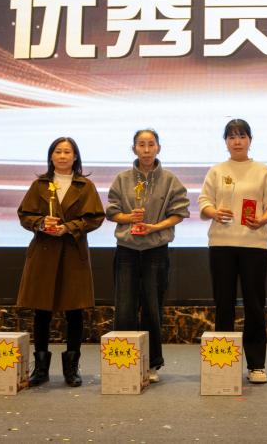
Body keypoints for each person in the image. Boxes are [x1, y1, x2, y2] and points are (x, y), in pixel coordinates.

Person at [16, 136, 105, 388]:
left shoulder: (85, 185)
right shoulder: (40, 185)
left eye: (67, 152)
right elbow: (24, 215)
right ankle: (41, 368)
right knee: (41, 311)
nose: (63, 156)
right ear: (51, 156)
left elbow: (96, 218)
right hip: (44, 252)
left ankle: (72, 369)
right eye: (58, 151)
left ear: (75, 157)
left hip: (72, 252)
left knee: (74, 311)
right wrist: (41, 223)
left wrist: (69, 227)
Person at [198, 119, 267, 385]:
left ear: (250, 140)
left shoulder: (262, 170)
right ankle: (224, 363)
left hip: (254, 245)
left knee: (255, 305)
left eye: (242, 136)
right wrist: (214, 212)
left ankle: (256, 365)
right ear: (225, 142)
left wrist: (263, 218)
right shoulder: (217, 170)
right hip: (221, 244)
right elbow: (203, 202)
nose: (237, 141)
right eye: (232, 137)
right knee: (223, 304)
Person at [105, 129, 190, 383]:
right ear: (134, 149)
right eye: (141, 145)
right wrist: (128, 218)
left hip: (156, 250)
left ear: (158, 148)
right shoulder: (122, 179)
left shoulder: (170, 179)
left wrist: (154, 227)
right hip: (127, 250)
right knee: (125, 308)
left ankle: (152, 363)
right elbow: (111, 212)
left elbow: (179, 213)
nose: (146, 149)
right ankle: (124, 362)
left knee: (153, 307)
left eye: (150, 144)